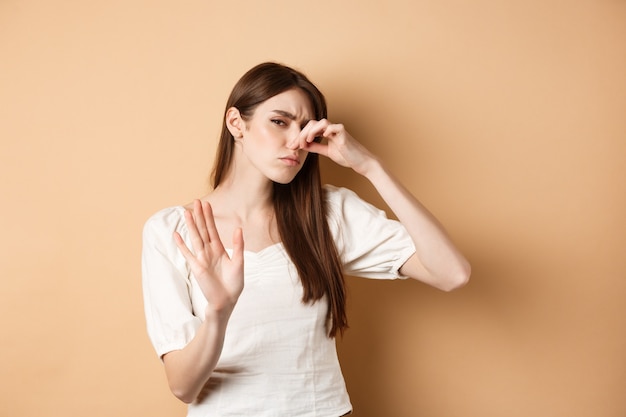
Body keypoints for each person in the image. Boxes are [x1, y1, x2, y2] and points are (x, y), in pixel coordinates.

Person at [141, 62, 470, 416]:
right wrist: (219, 312)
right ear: (236, 123)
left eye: (306, 130)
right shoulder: (171, 230)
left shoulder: (325, 213)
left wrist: (370, 166)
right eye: (279, 122)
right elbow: (183, 385)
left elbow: (452, 273)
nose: (295, 141)